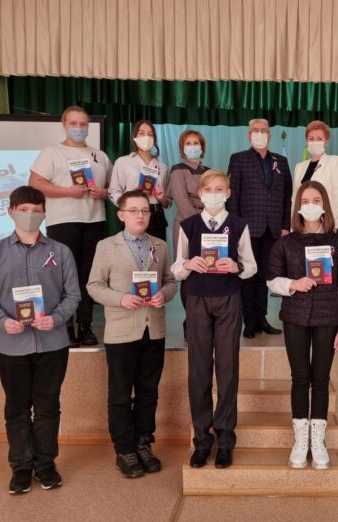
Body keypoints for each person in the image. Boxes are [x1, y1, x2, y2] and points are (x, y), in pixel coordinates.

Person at [0, 186, 80, 495]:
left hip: (52, 344)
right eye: (23, 210)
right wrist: (1, 321)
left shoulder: (60, 252)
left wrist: (56, 318)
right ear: (11, 212)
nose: (30, 215)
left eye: (36, 210)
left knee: (48, 408)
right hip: (10, 347)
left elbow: (73, 295)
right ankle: (21, 467)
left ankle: (45, 464)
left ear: (44, 213)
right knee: (17, 409)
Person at [267, 181, 338, 469]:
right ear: (298, 207)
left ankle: (318, 442)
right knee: (299, 378)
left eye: (316, 199)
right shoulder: (286, 243)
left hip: (327, 319)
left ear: (325, 205)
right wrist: (293, 284)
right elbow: (272, 280)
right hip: (295, 317)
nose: (310, 205)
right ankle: (300, 440)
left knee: (320, 379)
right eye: (305, 200)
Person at [87, 189, 177, 479]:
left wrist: (164, 294)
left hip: (154, 330)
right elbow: (94, 286)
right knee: (121, 394)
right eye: (134, 210)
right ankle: (124, 449)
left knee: (148, 392)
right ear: (121, 215)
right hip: (122, 331)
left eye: (145, 210)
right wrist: (121, 298)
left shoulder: (160, 245)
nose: (140, 215)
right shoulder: (106, 246)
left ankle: (143, 443)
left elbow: (170, 281)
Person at [172, 169, 257, 469]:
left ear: (228, 193)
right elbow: (176, 268)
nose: (213, 194)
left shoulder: (239, 225)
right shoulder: (189, 225)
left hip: (229, 299)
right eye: (208, 189)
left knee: (227, 368)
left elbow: (251, 266)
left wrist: (236, 266)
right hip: (197, 299)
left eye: (219, 189)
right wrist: (187, 264)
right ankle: (201, 440)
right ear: (200, 193)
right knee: (198, 370)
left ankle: (225, 439)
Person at [29, 105, 112, 347]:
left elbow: (113, 188)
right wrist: (68, 191)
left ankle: (85, 325)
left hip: (94, 221)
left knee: (89, 275)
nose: (78, 128)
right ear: (64, 125)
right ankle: (65, 325)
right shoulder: (52, 153)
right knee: (64, 275)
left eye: (83, 124)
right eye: (73, 123)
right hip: (62, 221)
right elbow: (35, 183)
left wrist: (103, 192)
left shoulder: (100, 156)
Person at [227, 118, 292, 339]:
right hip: (247, 229)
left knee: (266, 275)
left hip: (273, 229)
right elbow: (233, 196)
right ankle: (249, 321)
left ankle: (262, 318)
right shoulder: (238, 159)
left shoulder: (281, 161)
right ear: (249, 135)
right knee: (248, 275)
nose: (260, 134)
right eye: (255, 130)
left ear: (270, 135)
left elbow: (287, 196)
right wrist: (236, 227)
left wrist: (285, 226)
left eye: (264, 130)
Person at [168, 129, 210, 339]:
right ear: (182, 148)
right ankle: (190, 320)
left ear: (202, 147)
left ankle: (205, 318)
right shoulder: (178, 170)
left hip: (209, 224)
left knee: (207, 268)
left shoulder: (209, 171)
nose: (193, 147)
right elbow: (181, 200)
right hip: (187, 223)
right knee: (188, 270)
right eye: (189, 143)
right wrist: (199, 223)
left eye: (196, 143)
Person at [108, 120, 171, 241]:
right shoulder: (123, 162)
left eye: (150, 134)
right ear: (134, 137)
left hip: (156, 215)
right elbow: (113, 191)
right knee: (132, 250)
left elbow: (167, 202)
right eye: (141, 133)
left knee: (157, 251)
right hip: (132, 213)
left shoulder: (162, 167)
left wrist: (161, 198)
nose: (146, 137)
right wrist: (129, 201)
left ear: (154, 139)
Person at [291, 120, 338, 229]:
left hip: (325, 223)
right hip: (303, 224)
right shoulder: (299, 167)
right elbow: (295, 199)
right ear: (306, 141)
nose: (315, 142)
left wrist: (332, 225)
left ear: (326, 142)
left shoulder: (334, 161)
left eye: (319, 139)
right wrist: (293, 227)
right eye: (311, 139)